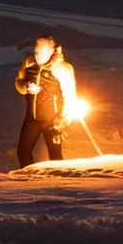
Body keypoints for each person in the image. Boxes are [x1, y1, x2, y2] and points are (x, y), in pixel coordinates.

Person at [13, 35, 76, 168]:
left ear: (52, 51)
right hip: (32, 118)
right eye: (36, 51)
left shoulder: (61, 68)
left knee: (55, 158)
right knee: (23, 152)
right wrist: (26, 88)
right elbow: (18, 82)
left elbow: (70, 97)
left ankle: (58, 185)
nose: (37, 55)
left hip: (53, 121)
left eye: (42, 52)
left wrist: (62, 121)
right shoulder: (29, 62)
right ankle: (30, 181)